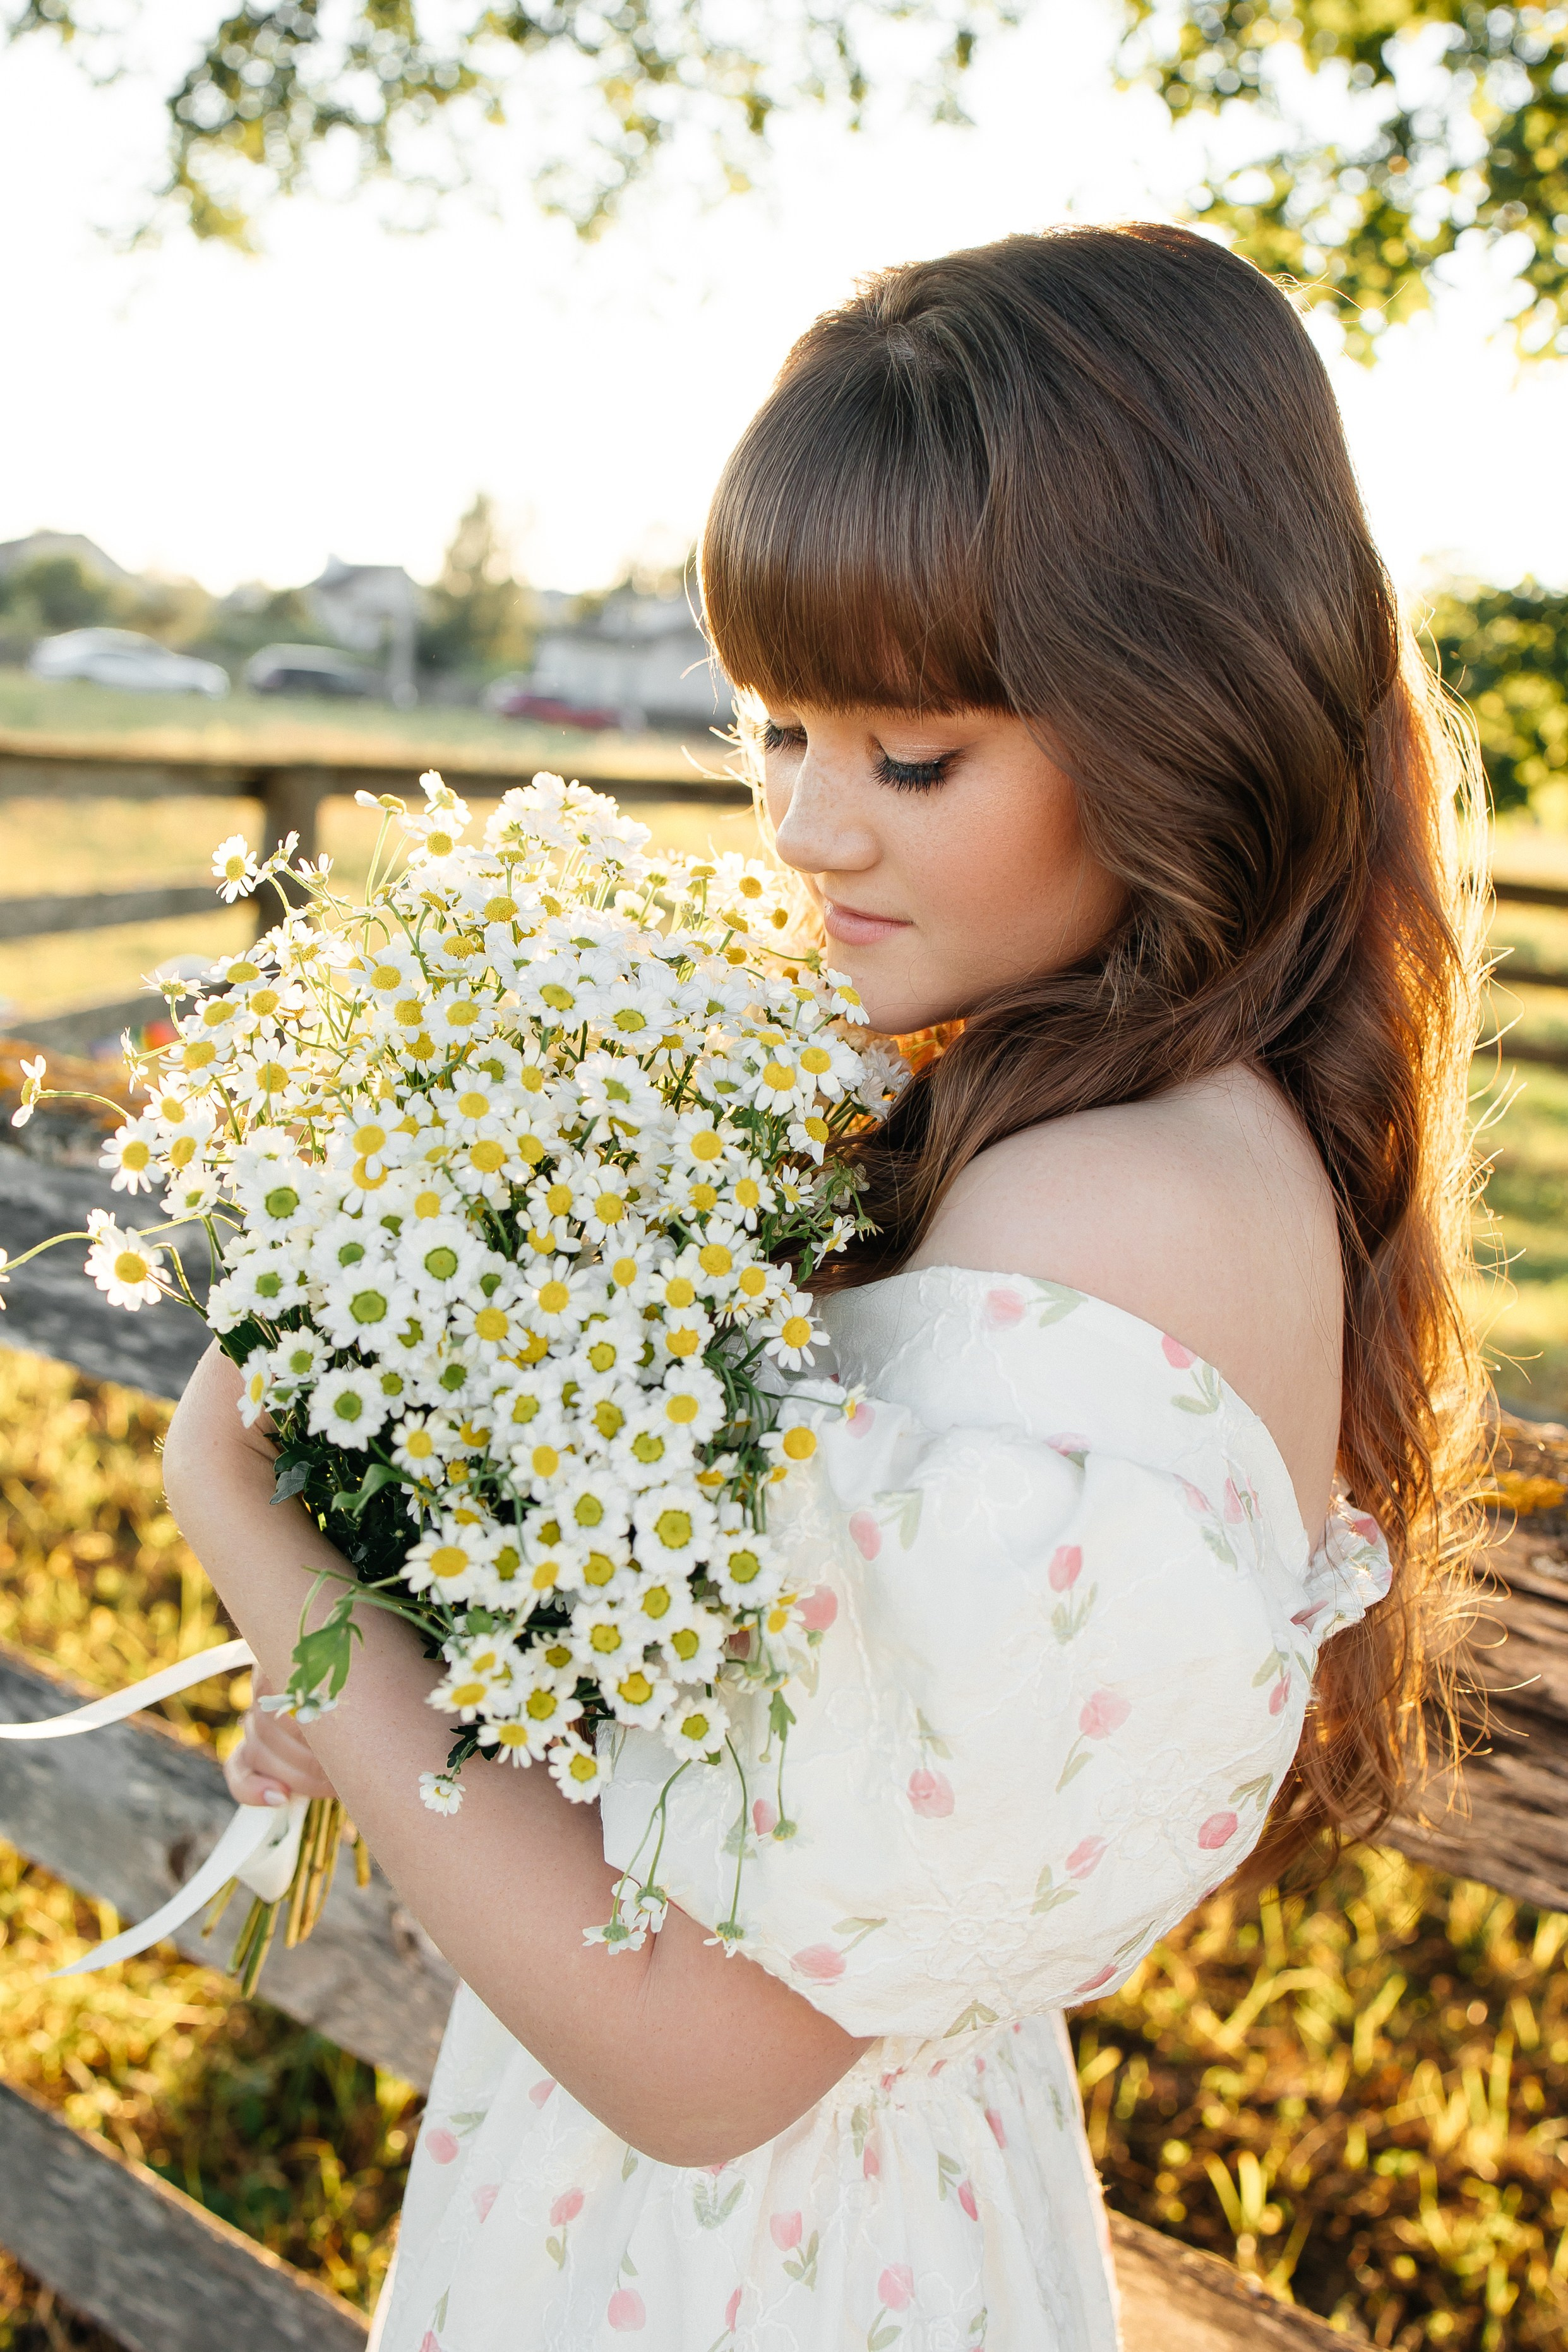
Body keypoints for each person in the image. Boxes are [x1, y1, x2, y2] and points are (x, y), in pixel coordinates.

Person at [165, 224, 1489, 2351]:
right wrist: (420, 1645)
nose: (804, 830)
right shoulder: (1055, 1116)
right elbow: (754, 1777)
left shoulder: (1118, 1210)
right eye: (778, 730)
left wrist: (247, 1523)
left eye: (912, 754)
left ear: (1186, 718)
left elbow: (711, 2053)